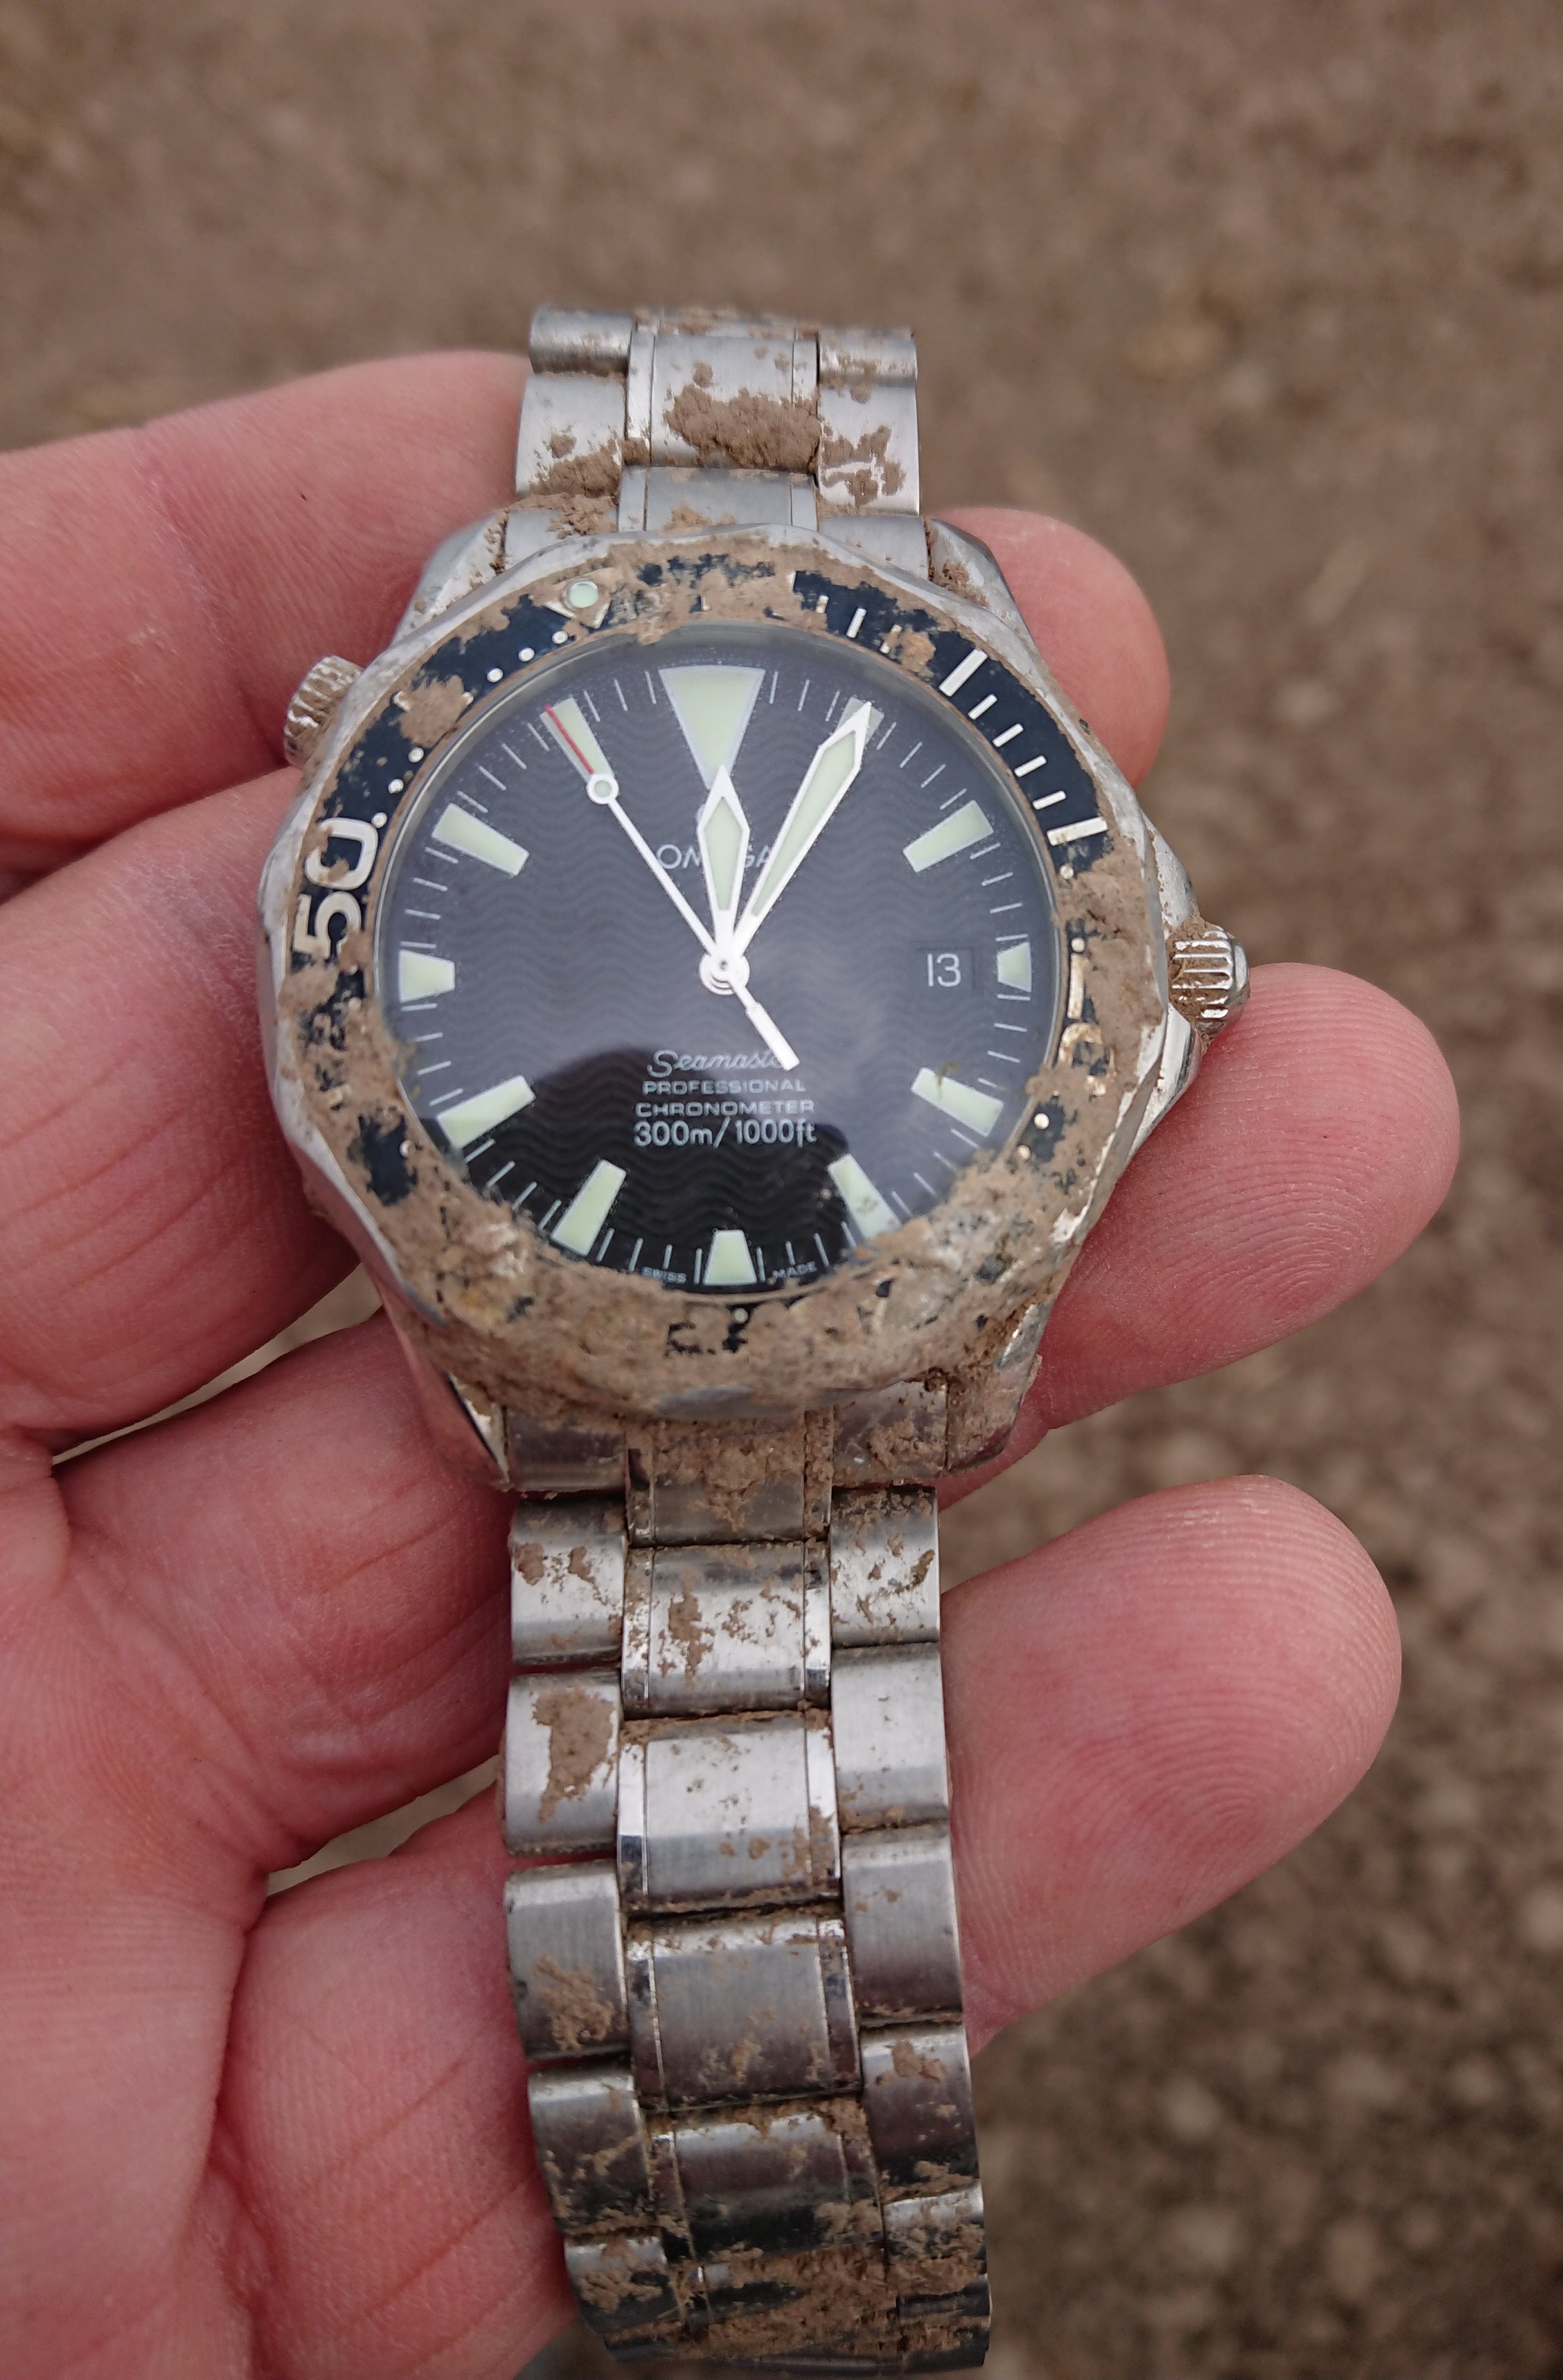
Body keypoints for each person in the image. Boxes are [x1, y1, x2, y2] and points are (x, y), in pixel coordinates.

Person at [0, 350, 1459, 2379]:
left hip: (843, 1329)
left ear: (1160, 991)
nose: (715, 979)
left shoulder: (1021, 933)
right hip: (567, 1336)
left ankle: (756, 2285)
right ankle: (762, 2295)